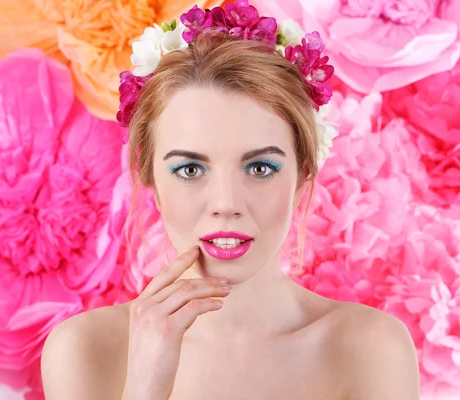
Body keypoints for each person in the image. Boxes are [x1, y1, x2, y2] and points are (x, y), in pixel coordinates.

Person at [41, 1, 420, 399]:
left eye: (259, 168)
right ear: (150, 177)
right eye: (190, 169)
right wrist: (144, 386)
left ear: (303, 173)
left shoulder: (370, 349)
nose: (225, 203)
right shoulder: (84, 350)